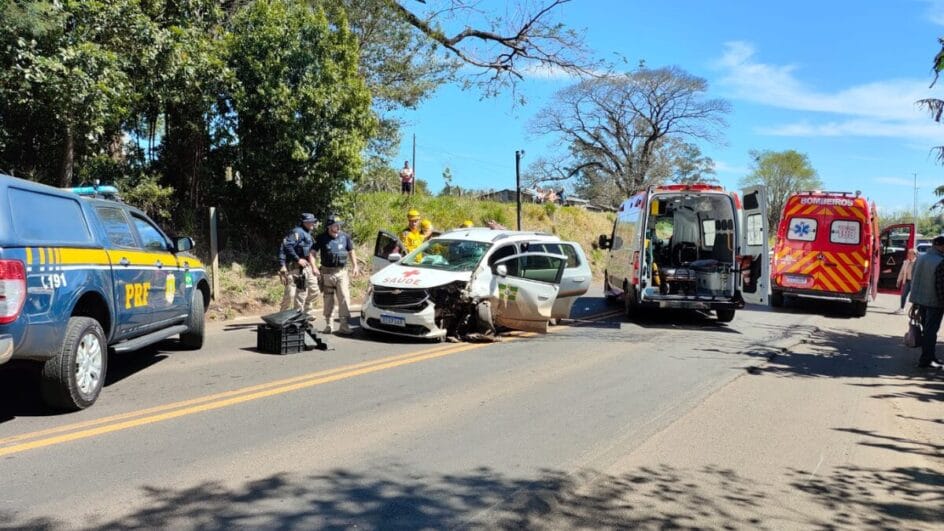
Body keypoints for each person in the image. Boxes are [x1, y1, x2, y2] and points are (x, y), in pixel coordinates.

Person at [313, 214, 359, 335]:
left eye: (339, 225)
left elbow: (351, 251)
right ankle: (329, 325)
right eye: (335, 225)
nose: (338, 227)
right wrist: (313, 267)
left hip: (341, 272)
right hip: (327, 273)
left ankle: (344, 325)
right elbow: (312, 253)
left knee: (344, 297)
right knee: (328, 299)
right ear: (329, 226)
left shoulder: (345, 237)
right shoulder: (321, 238)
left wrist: (355, 266)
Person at [908, 235, 944, 368]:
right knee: (931, 331)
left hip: (921, 300)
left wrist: (915, 301)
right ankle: (926, 359)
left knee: (926, 329)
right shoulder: (940, 261)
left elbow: (914, 279)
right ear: (941, 246)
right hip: (935, 302)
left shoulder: (921, 259)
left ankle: (929, 356)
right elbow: (941, 286)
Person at [278, 213, 320, 315]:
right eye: (311, 222)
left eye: (314, 221)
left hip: (307, 267)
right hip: (295, 268)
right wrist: (297, 260)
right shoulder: (297, 232)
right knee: (290, 295)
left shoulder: (308, 234)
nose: (313, 224)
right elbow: (286, 247)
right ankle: (282, 316)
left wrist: (315, 266)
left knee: (314, 291)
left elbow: (311, 252)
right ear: (304, 222)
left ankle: (303, 312)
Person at [896, 248, 917, 314]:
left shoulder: (917, 262)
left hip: (914, 282)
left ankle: (914, 311)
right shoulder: (906, 262)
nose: (908, 254)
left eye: (910, 253)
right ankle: (902, 308)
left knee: (914, 297)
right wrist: (898, 280)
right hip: (907, 281)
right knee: (903, 295)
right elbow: (901, 272)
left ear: (914, 255)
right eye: (908, 253)